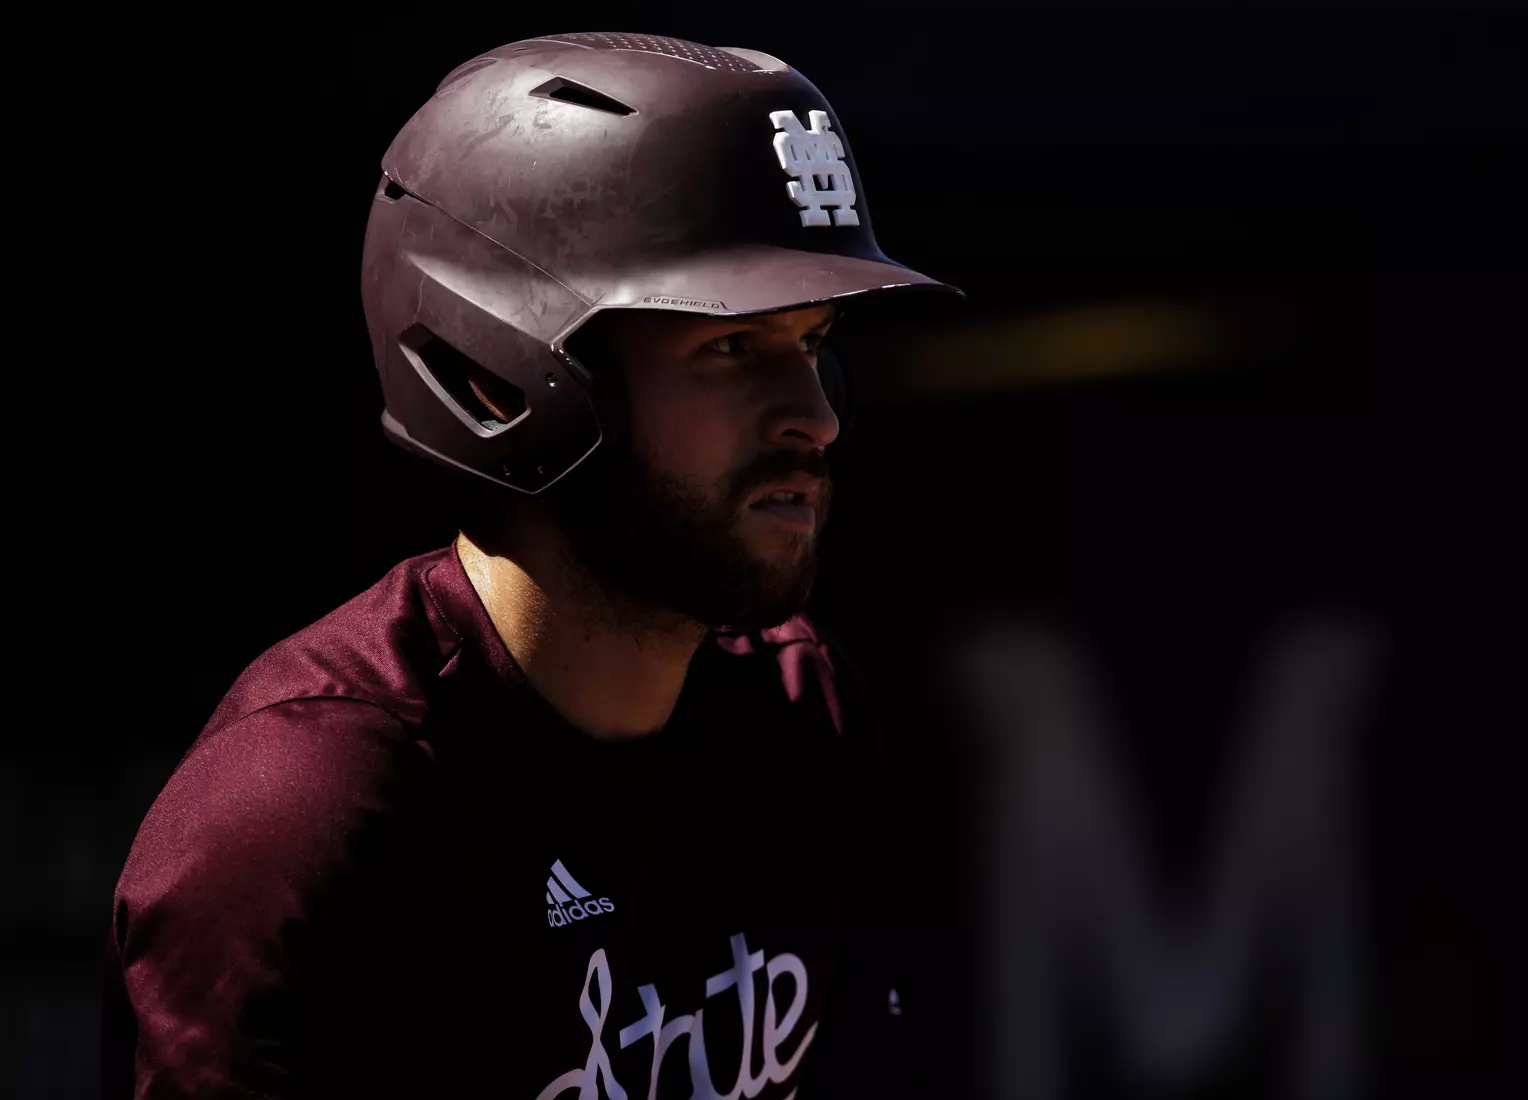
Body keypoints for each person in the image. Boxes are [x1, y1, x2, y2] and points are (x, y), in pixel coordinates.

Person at [100, 30, 960, 1100]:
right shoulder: (304, 810)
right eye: (731, 346)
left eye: (815, 339)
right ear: (511, 370)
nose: (815, 416)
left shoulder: (798, 712)